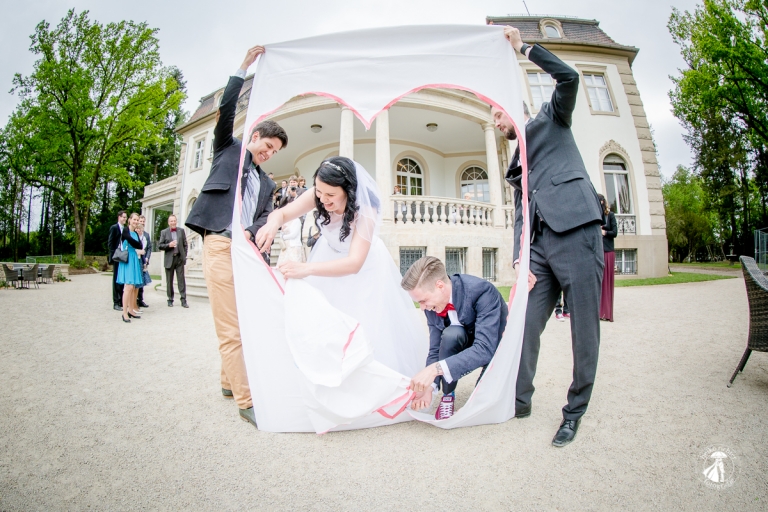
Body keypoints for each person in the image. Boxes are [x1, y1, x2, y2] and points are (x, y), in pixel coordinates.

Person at [491, 26, 604, 447]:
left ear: (512, 107)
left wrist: (523, 48)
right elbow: (522, 211)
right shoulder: (514, 164)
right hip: (538, 248)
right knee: (522, 323)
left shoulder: (550, 119)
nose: (495, 122)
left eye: (497, 114)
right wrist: (520, 258)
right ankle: (518, 400)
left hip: (577, 232)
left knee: (583, 331)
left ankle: (574, 412)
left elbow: (569, 77)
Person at [255, 157, 425, 400]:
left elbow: (354, 263)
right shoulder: (320, 192)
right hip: (327, 255)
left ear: (349, 191)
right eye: (319, 192)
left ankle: (364, 393)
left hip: (364, 271)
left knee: (364, 329)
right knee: (322, 326)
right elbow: (282, 213)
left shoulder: (366, 209)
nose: (323, 199)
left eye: (331, 195)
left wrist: (306, 269)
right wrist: (272, 224)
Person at [184, 45, 287, 428]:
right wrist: (243, 67)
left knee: (243, 318)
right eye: (268, 146)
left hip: (246, 251)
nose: (269, 153)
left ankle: (228, 382)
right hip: (218, 242)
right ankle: (247, 400)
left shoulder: (268, 183)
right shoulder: (229, 150)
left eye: (275, 152)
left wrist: (252, 231)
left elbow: (263, 218)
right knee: (230, 326)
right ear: (255, 136)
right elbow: (227, 109)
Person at [401, 256, 507, 420]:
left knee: (486, 404)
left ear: (440, 286)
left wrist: (434, 370)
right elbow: (436, 349)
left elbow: (485, 348)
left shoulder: (482, 291)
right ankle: (448, 394)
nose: (422, 308)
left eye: (423, 301)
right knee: (451, 334)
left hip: (495, 346)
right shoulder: (431, 306)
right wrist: (430, 386)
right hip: (463, 341)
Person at [116, 213, 146, 323]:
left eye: (137, 220)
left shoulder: (135, 233)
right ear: (130, 220)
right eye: (134, 219)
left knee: (133, 286)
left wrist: (136, 244)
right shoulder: (125, 230)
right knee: (128, 287)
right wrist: (136, 244)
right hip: (128, 259)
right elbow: (135, 243)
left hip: (134, 259)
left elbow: (140, 245)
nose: (136, 221)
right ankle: (124, 312)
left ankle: (130, 310)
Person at [158, 215, 188, 308]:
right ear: (168, 222)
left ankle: (183, 300)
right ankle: (170, 299)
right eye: (171, 221)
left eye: (174, 221)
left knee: (181, 280)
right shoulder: (164, 232)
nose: (173, 222)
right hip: (169, 259)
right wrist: (169, 245)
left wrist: (184, 255)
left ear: (176, 221)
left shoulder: (181, 231)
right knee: (169, 281)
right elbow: (160, 245)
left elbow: (185, 244)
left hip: (179, 259)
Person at [599, 194, 617, 322]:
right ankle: (599, 312)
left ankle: (607, 312)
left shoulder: (610, 215)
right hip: (598, 251)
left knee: (607, 282)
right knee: (599, 282)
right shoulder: (595, 215)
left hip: (608, 251)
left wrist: (604, 232)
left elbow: (614, 232)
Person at [107, 211, 127, 311]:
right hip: (117, 256)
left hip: (124, 256)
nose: (125, 219)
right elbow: (110, 243)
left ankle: (121, 301)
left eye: (126, 217)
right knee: (116, 279)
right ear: (119, 217)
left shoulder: (125, 229)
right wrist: (113, 255)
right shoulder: (114, 228)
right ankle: (115, 302)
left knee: (122, 279)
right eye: (123, 217)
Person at [136, 215, 152, 308]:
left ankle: (140, 300)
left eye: (143, 221)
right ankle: (134, 300)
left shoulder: (146, 235)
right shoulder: (134, 233)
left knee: (142, 281)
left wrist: (147, 258)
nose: (142, 223)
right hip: (136, 260)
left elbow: (149, 247)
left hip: (144, 261)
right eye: (140, 221)